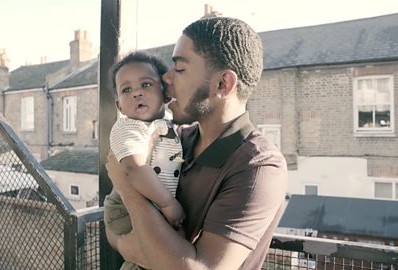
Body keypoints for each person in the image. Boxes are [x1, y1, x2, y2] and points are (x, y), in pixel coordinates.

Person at [106, 17, 288, 269]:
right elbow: (113, 230)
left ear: (223, 84)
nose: (165, 78)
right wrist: (134, 247)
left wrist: (128, 189)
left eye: (179, 69)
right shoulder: (176, 138)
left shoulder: (259, 167)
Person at [104, 52, 185, 268]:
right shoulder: (129, 128)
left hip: (153, 205)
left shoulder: (167, 125)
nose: (137, 93)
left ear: (165, 94)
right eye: (126, 90)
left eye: (146, 85)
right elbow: (134, 169)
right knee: (146, 259)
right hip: (125, 208)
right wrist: (167, 202)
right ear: (119, 105)